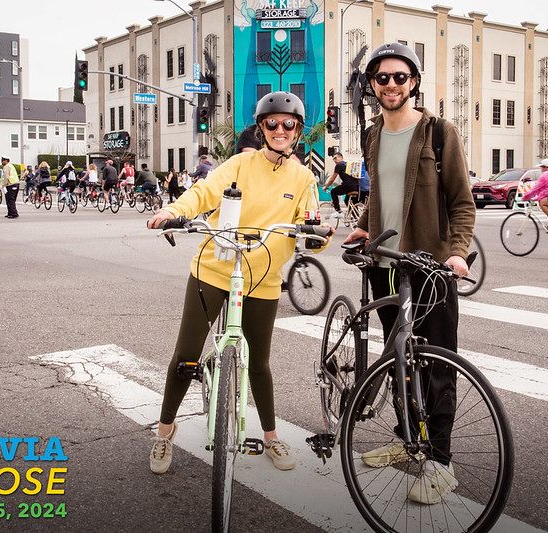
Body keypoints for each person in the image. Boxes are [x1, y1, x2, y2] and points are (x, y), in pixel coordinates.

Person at [146, 91, 328, 475]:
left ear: (297, 130)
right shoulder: (240, 163)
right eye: (272, 123)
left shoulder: (304, 177)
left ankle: (272, 438)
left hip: (262, 277)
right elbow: (203, 193)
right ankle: (164, 433)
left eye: (288, 124)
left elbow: (312, 218)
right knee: (186, 356)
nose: (280, 129)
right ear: (261, 128)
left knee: (259, 363)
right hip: (214, 267)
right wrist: (173, 210)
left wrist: (318, 234)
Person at [344, 42, 475, 505]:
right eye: (382, 78)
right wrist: (363, 227)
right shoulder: (373, 134)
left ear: (414, 82)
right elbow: (381, 193)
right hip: (386, 265)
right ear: (373, 86)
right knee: (399, 357)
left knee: (436, 363)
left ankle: (440, 461)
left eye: (401, 77)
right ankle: (406, 439)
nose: (392, 85)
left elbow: (462, 203)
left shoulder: (440, 133)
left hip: (430, 266)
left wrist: (457, 254)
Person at [323, 152, 359, 217]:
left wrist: (326, 186)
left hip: (348, 186)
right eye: (333, 159)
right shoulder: (348, 164)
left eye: (335, 158)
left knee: (333, 192)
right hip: (357, 187)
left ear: (341, 157)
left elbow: (332, 179)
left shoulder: (339, 165)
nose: (334, 160)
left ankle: (338, 211)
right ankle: (356, 219)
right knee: (347, 200)